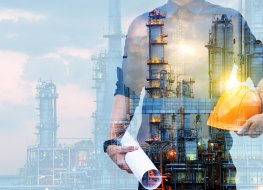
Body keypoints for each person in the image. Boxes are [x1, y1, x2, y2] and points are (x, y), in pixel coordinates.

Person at [104, 0, 263, 189]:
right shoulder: (141, 25)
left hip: (214, 162)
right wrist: (112, 141)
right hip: (155, 168)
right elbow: (127, 88)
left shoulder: (231, 21)